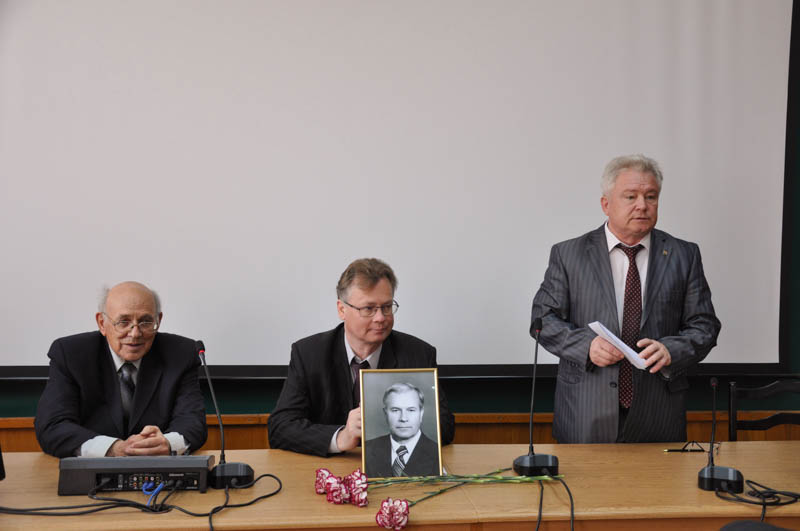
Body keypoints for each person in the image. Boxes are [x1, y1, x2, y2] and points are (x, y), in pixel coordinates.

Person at [531, 154, 721, 443]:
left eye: (651, 196)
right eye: (631, 196)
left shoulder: (684, 255)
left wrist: (672, 350)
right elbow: (542, 321)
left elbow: (705, 326)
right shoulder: (569, 254)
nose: (642, 205)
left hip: (659, 412)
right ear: (606, 204)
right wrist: (587, 346)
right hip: (586, 411)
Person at [268, 258, 455, 456]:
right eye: (368, 309)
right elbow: (280, 428)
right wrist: (341, 437)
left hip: (395, 466)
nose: (380, 318)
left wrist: (384, 425)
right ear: (342, 309)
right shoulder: (309, 354)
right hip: (330, 467)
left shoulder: (418, 354)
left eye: (386, 307)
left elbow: (444, 426)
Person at [35, 281, 207, 458]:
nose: (135, 333)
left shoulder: (181, 354)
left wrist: (168, 443)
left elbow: (193, 422)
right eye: (124, 322)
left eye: (146, 321)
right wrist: (113, 448)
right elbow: (53, 426)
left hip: (159, 467)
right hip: (91, 469)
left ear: (158, 320)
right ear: (102, 323)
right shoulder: (70, 354)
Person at [364, 382, 440, 477]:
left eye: (411, 410)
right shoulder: (367, 449)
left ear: (421, 413)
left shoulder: (436, 453)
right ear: (385, 413)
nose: (403, 418)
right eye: (395, 410)